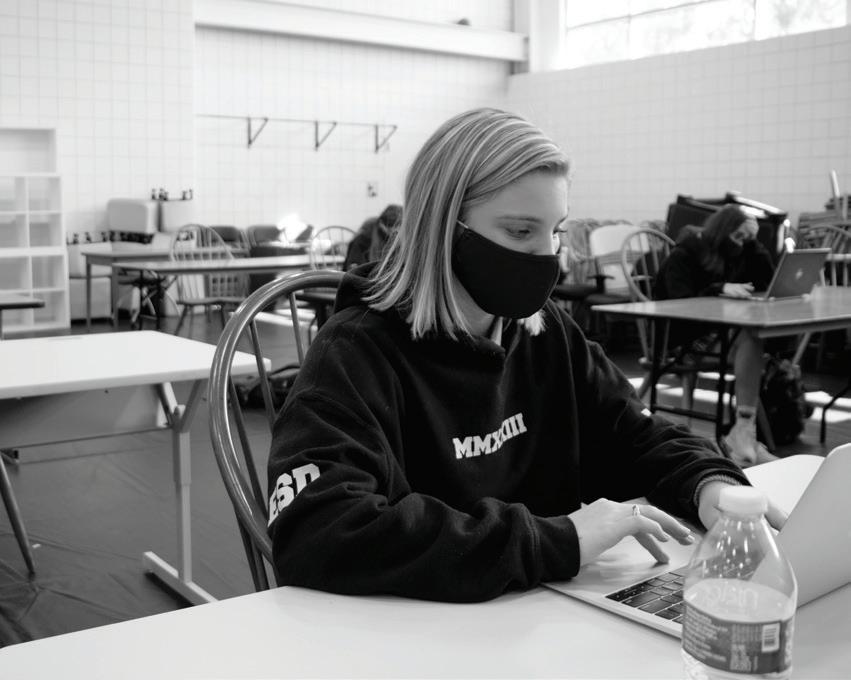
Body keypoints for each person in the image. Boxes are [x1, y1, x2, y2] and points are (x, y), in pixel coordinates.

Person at [267, 108, 783, 603]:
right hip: (409, 633)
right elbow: (319, 529)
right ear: (443, 228)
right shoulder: (354, 352)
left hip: (537, 614)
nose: (547, 256)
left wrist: (708, 485)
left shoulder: (547, 332)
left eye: (556, 232)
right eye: (520, 231)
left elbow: (634, 434)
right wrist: (556, 541)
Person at [654, 204, 776, 467]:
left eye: (746, 239)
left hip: (714, 333)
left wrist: (754, 243)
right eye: (739, 236)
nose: (741, 243)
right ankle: (743, 434)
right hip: (681, 341)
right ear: (722, 231)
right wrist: (719, 288)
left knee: (752, 337)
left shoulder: (729, 252)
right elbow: (679, 302)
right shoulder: (685, 253)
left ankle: (744, 433)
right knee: (750, 338)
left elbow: (765, 281)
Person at [343, 203, 402, 270]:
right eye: (391, 230)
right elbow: (354, 268)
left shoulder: (397, 237)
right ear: (381, 224)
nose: (395, 233)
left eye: (399, 229)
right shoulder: (364, 238)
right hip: (361, 273)